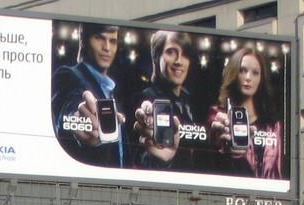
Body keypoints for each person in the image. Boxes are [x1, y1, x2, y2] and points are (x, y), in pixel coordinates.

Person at [51, 22, 128, 168]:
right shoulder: (68, 75)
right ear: (84, 40)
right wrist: (77, 119)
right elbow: (68, 109)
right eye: (100, 38)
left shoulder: (113, 91)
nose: (107, 48)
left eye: (112, 41)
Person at [206, 46, 283, 179]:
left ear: (261, 78)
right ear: (234, 73)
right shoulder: (218, 116)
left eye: (255, 73)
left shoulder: (274, 126)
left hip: (270, 196)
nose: (248, 77)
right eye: (242, 70)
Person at [132, 30, 196, 170]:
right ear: (156, 56)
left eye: (184, 54)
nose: (179, 61)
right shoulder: (144, 100)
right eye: (171, 52)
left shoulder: (191, 101)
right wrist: (162, 160)